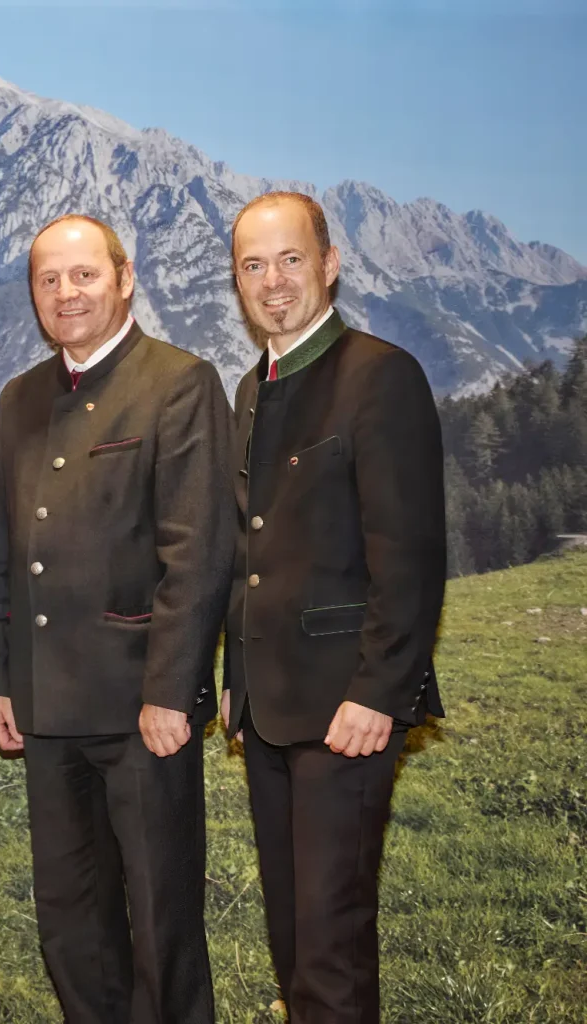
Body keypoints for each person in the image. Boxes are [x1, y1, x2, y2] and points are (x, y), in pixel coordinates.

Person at [0, 214, 232, 1023]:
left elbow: (198, 553)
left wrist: (170, 690)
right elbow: (3, 556)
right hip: (46, 709)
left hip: (139, 710)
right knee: (70, 925)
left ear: (124, 278)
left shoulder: (180, 382)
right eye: (48, 280)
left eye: (83, 275)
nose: (65, 293)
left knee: (162, 925)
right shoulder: (21, 398)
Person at [223, 191, 446, 1023]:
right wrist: (237, 688)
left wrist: (379, 692)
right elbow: (252, 554)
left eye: (289, 259)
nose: (273, 281)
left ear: (330, 263)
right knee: (291, 940)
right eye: (253, 265)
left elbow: (410, 557)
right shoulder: (252, 388)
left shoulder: (380, 375)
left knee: (331, 944)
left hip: (347, 707)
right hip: (270, 713)